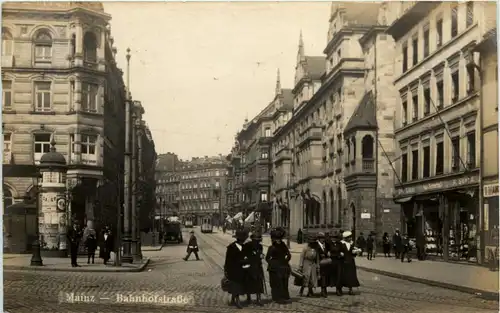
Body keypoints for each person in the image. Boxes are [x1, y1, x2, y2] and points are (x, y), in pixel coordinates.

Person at [224, 228, 249, 309]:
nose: (242, 241)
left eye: (243, 240)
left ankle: (232, 299)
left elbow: (247, 257)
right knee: (236, 285)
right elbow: (228, 260)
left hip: (242, 269)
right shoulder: (231, 247)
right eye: (241, 240)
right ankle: (237, 300)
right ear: (238, 239)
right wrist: (226, 270)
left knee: (239, 285)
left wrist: (247, 262)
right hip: (233, 270)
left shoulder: (244, 247)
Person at [265, 227, 291, 304]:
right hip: (274, 268)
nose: (278, 240)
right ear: (274, 239)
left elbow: (288, 254)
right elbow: (267, 258)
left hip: (283, 266)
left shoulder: (283, 246)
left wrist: (286, 259)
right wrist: (273, 263)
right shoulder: (271, 247)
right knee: (276, 283)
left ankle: (284, 296)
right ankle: (277, 297)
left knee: (284, 282)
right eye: (277, 239)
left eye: (279, 239)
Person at [242, 232, 265, 306]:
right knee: (248, 282)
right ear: (253, 240)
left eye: (258, 240)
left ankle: (258, 298)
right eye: (256, 240)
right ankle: (248, 298)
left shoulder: (260, 246)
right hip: (249, 266)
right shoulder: (247, 245)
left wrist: (261, 255)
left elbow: (261, 254)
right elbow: (243, 255)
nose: (257, 242)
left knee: (259, 282)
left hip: (258, 266)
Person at [340, 231, 360, 295]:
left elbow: (352, 252)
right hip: (343, 261)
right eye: (349, 237)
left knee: (351, 275)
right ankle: (340, 289)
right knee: (342, 275)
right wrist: (340, 253)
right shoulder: (341, 243)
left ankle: (350, 289)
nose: (350, 238)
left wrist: (355, 252)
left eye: (351, 237)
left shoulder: (351, 244)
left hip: (351, 261)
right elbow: (339, 250)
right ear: (345, 238)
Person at [314, 232, 330, 298]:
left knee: (325, 276)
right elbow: (315, 254)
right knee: (321, 277)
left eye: (323, 238)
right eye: (321, 238)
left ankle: (324, 289)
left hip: (325, 263)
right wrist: (321, 255)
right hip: (319, 263)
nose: (323, 240)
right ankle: (323, 290)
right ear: (319, 239)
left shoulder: (325, 244)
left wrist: (327, 253)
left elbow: (327, 251)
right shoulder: (316, 245)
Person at [328, 232, 344, 296]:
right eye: (332, 237)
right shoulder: (329, 244)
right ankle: (334, 287)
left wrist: (342, 254)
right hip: (332, 262)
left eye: (335, 237)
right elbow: (328, 253)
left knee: (339, 275)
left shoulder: (339, 244)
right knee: (333, 275)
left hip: (339, 261)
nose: (334, 239)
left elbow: (342, 250)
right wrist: (336, 254)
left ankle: (338, 289)